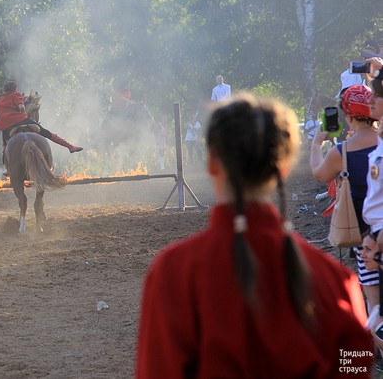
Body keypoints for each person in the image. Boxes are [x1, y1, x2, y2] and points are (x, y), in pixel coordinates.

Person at [136, 94, 371, 378]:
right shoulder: (336, 282)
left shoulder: (173, 273)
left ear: (212, 163)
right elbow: (357, 365)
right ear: (283, 167)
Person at [310, 84, 379, 311]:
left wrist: (316, 144)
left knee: (374, 303)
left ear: (348, 116)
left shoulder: (343, 151)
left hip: (363, 235)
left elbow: (320, 173)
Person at [0, 81, 83, 162]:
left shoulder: (0, 99)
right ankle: (70, 147)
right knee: (47, 133)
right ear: (14, 89)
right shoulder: (16, 94)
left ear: (5, 90)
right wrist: (21, 109)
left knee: (6, 147)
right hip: (19, 120)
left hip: (5, 126)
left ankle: (8, 167)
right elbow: (21, 107)